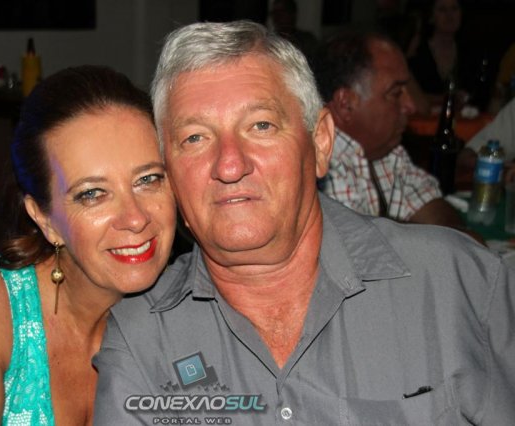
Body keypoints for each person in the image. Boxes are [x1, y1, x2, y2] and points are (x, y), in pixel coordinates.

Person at [93, 21, 515, 425]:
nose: (229, 165)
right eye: (195, 138)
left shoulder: (457, 285)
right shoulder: (143, 340)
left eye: (260, 125)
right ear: (167, 169)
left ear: (321, 142)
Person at [0, 65, 176, 424]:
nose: (135, 218)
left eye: (148, 179)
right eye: (92, 194)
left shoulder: (188, 308)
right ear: (44, 219)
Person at [313, 30, 465, 229]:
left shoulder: (385, 150)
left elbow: (440, 215)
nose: (410, 106)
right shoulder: (320, 165)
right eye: (396, 93)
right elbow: (358, 241)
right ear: (346, 104)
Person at [408, 0, 481, 110]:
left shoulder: (471, 52)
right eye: (442, 9)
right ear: (431, 17)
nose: (449, 15)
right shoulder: (416, 51)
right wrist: (444, 99)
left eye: (454, 9)